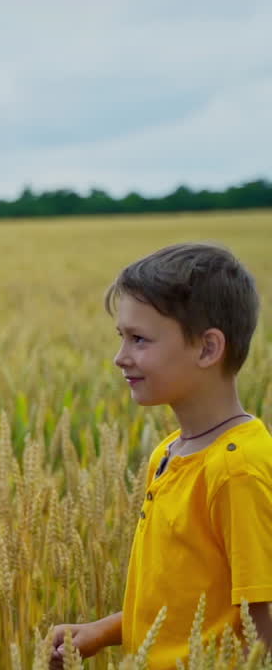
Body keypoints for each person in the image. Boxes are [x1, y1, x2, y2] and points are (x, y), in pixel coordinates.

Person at [49, 242, 272, 668]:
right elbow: (181, 598)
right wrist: (104, 630)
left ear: (208, 349)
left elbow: (262, 618)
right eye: (121, 337)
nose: (120, 357)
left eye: (139, 339)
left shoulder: (237, 469)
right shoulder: (169, 453)